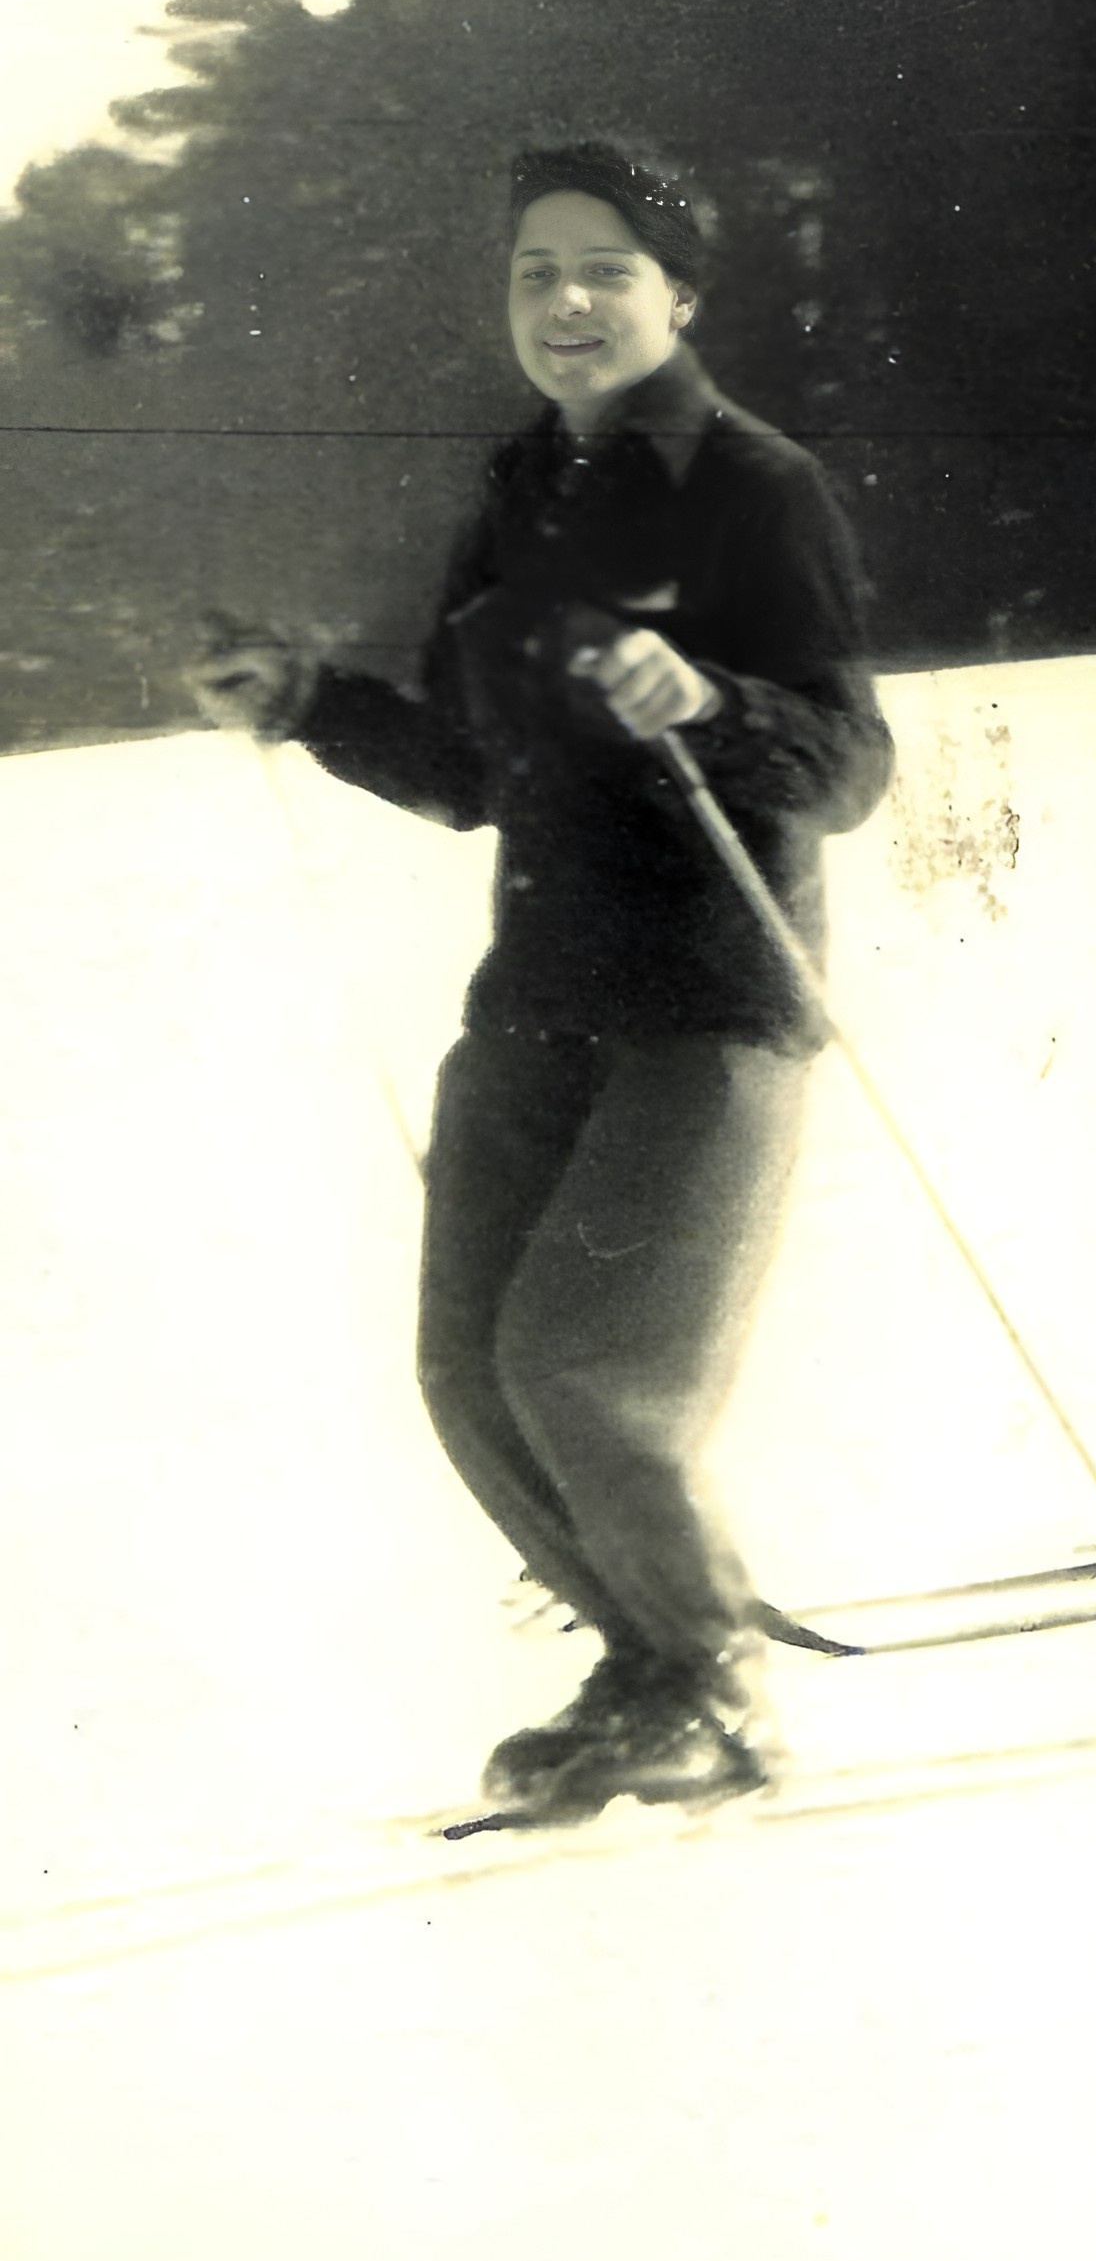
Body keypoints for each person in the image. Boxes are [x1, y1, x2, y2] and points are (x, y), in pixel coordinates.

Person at [189, 142, 892, 1819]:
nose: (565, 302)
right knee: (467, 1369)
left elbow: (849, 764)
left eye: (602, 269)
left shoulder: (756, 486)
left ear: (678, 296)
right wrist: (300, 697)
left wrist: (712, 703)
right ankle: (643, 1661)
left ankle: (712, 1682)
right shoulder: (519, 488)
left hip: (710, 997)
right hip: (537, 998)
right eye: (533, 272)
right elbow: (462, 767)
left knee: (587, 1371)